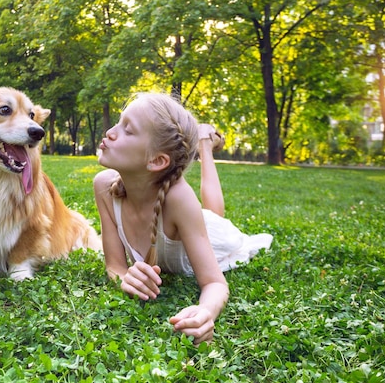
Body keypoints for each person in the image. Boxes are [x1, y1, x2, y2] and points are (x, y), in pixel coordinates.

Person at [93, 92, 272, 344]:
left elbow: (215, 283)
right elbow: (114, 266)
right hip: (190, 223)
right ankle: (203, 141)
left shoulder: (179, 198)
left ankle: (205, 146)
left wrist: (205, 312)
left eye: (128, 130)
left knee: (213, 216)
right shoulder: (103, 186)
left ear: (156, 160)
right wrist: (125, 279)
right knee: (206, 213)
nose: (110, 132)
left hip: (212, 233)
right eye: (118, 122)